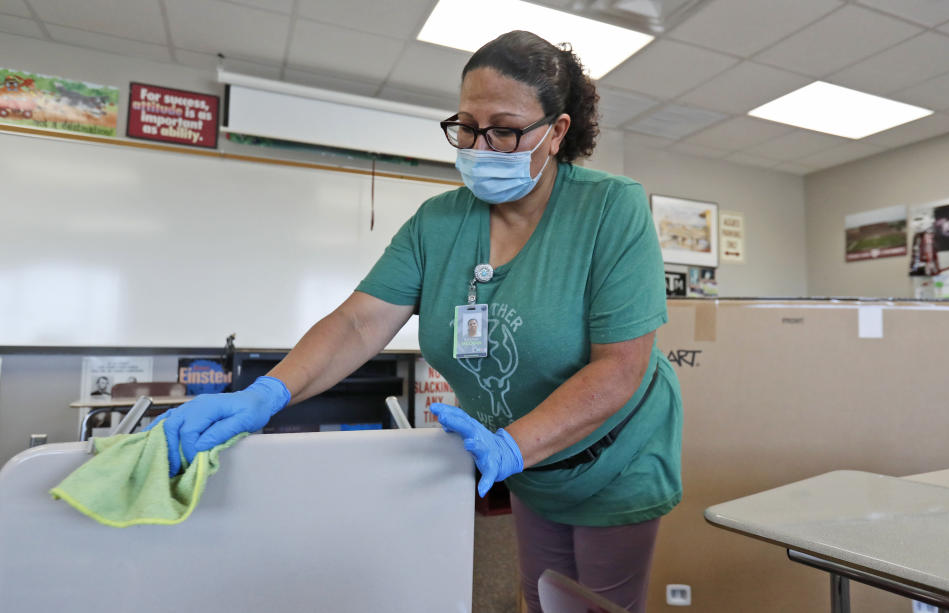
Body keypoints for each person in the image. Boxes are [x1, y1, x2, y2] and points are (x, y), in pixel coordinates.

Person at [148, 30, 682, 613]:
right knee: (542, 596)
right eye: (467, 126)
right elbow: (358, 324)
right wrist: (268, 393)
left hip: (612, 455)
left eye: (504, 129)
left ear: (556, 132)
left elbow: (619, 370)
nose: (480, 145)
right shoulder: (438, 222)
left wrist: (509, 447)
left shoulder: (611, 208)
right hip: (527, 461)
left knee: (599, 604)